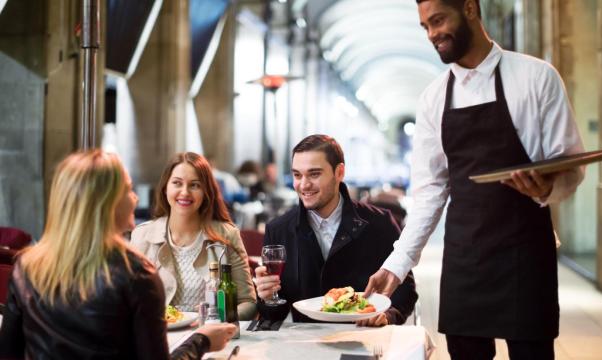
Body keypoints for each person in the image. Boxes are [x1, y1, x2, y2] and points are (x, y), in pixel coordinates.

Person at [364, 0, 585, 358]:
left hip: (526, 253)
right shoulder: (434, 98)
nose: (433, 34)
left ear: (470, 8)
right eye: (425, 27)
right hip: (465, 258)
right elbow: (430, 193)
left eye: (438, 21)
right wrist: (396, 265)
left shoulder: (536, 77)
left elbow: (571, 163)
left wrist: (549, 187)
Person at [0, 150, 237, 359]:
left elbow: (8, 353)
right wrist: (202, 341)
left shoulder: (26, 267)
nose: (135, 198)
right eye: (128, 189)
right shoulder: (137, 274)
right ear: (106, 203)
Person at [254, 135, 418, 326]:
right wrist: (266, 297)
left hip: (364, 339)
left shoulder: (380, 223)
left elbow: (406, 290)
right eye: (297, 175)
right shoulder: (278, 230)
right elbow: (275, 315)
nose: (304, 185)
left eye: (314, 174)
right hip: (306, 346)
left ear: (339, 172)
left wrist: (388, 315)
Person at [131, 152, 257, 320]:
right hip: (159, 339)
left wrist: (220, 316)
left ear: (206, 191)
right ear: (165, 188)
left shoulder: (227, 235)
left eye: (195, 185)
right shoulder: (141, 236)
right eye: (177, 183)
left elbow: (248, 302)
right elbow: (130, 302)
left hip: (211, 338)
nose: (185, 192)